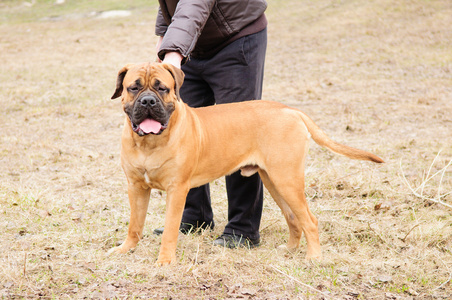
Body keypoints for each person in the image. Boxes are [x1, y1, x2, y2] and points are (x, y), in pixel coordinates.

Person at [152, 0, 268, 248]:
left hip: (236, 37)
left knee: (238, 133)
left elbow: (194, 2)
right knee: (184, 131)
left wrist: (172, 54)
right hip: (191, 44)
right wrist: (163, 36)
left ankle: (242, 228)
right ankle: (195, 216)